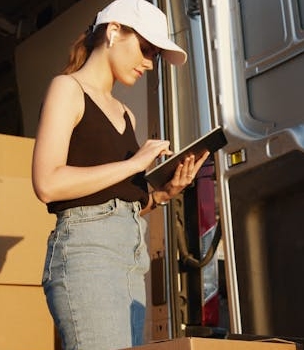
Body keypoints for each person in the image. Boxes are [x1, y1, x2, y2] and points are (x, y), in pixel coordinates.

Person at [30, 0, 209, 349]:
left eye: (155, 55)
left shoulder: (127, 115)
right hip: (86, 255)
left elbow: (116, 202)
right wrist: (134, 164)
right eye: (145, 49)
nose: (149, 62)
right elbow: (47, 183)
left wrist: (160, 194)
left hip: (130, 258)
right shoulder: (67, 89)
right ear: (113, 32)